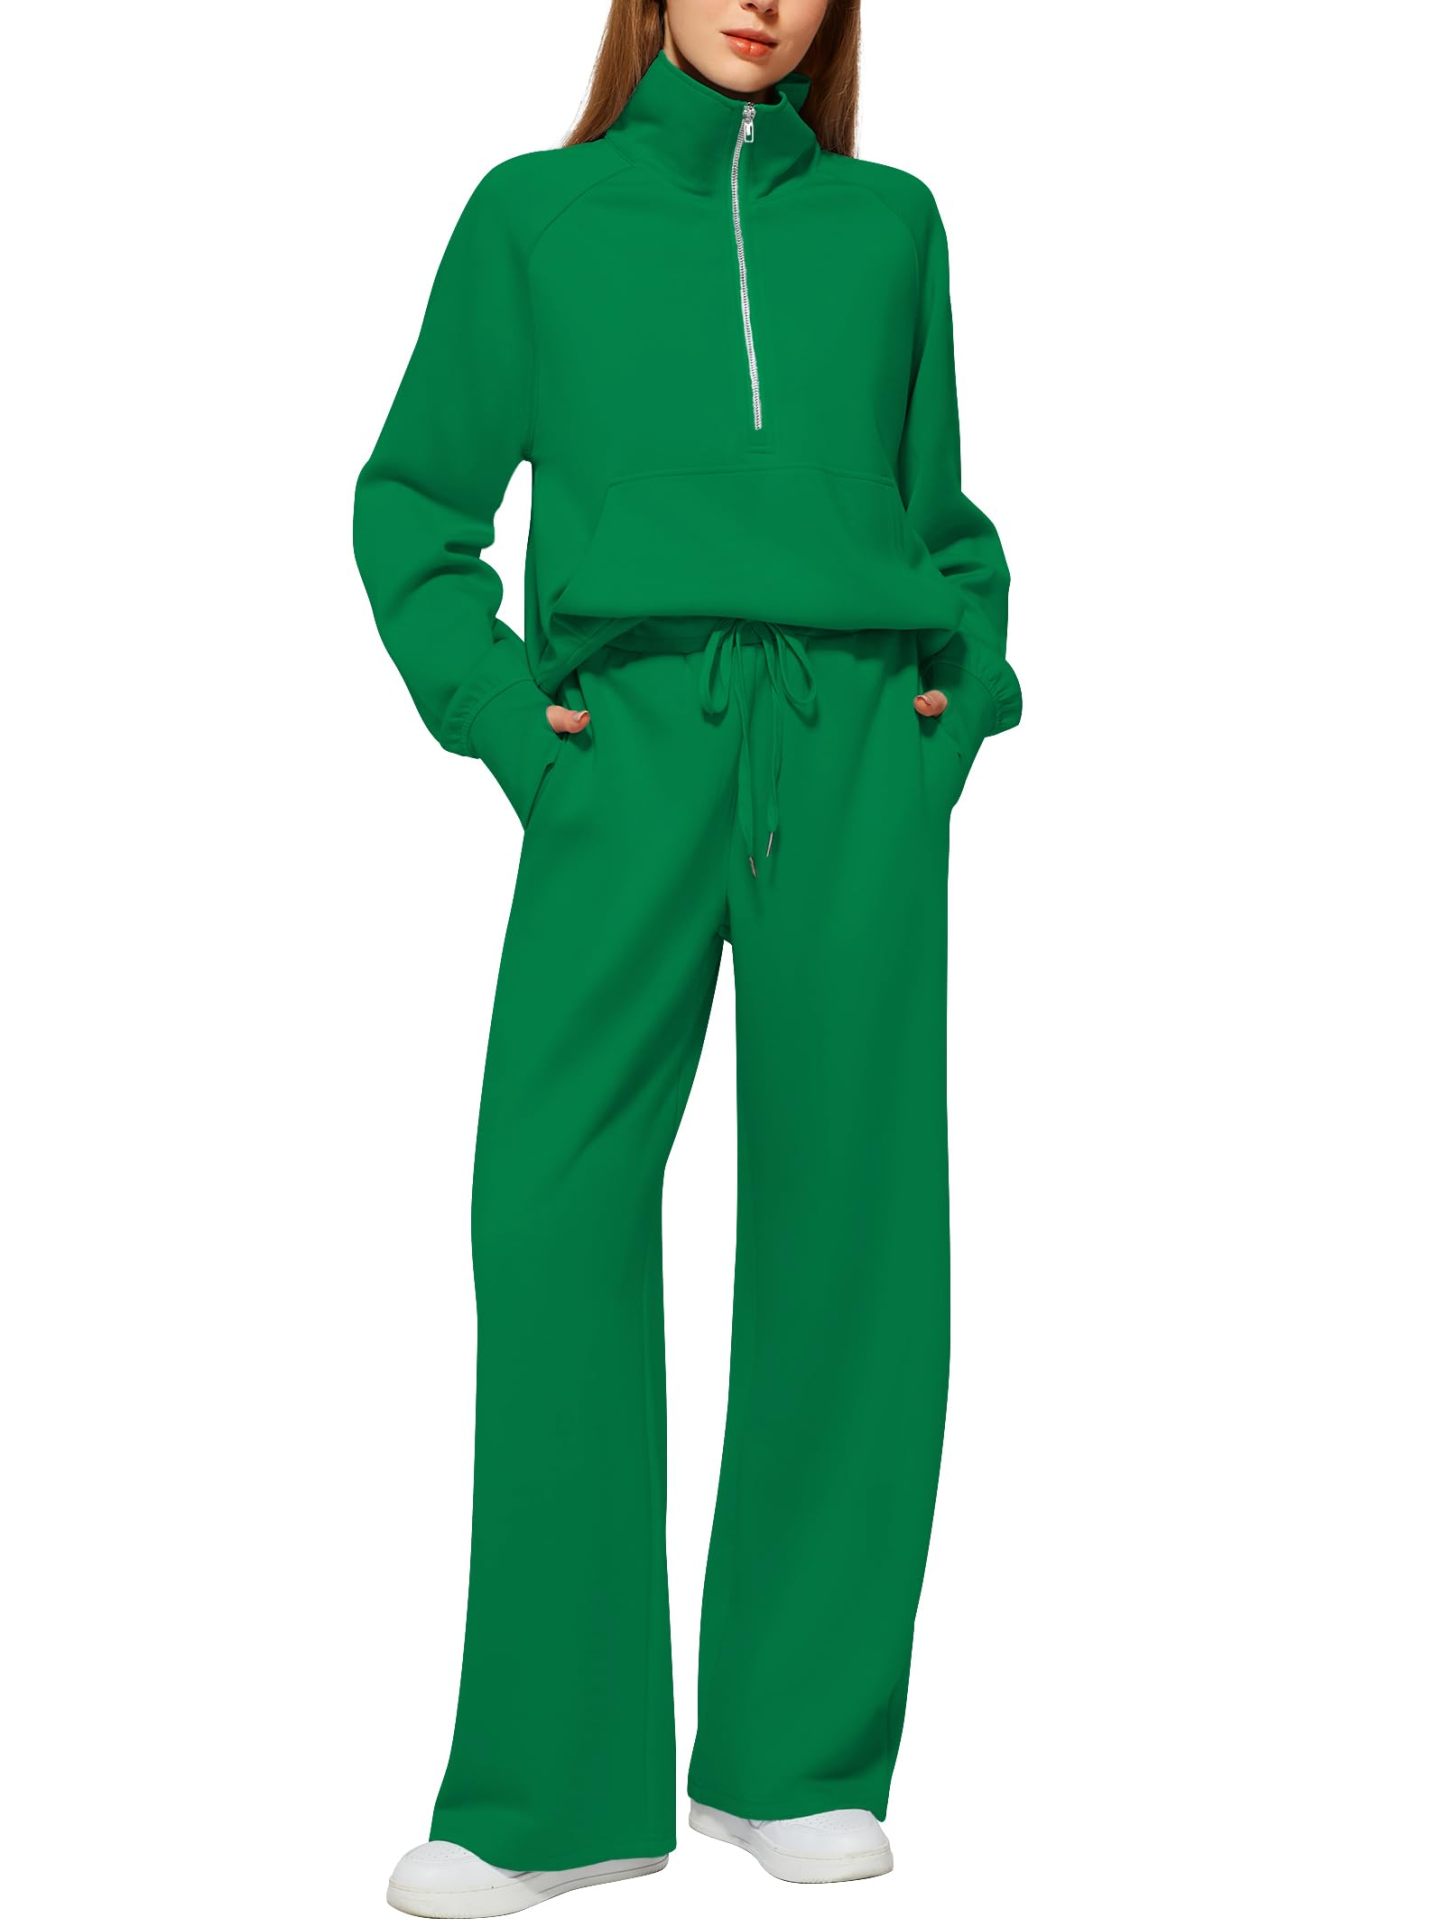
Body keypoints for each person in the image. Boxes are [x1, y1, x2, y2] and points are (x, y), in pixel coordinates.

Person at [352, 0, 1021, 1914]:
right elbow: (411, 504)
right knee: (548, 1211)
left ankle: (792, 1756)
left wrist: (949, 708)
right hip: (626, 745)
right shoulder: (536, 214)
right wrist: (507, 722)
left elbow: (938, 518)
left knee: (852, 1237)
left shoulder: (889, 225)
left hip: (853, 747)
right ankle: (549, 1790)